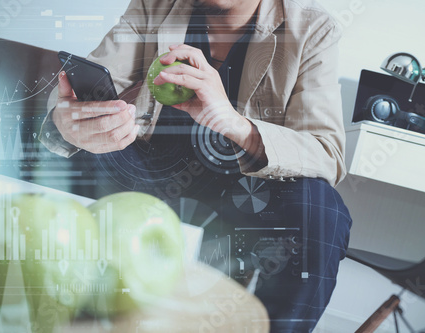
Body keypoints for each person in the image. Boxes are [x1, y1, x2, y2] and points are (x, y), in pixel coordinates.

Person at [39, 0, 352, 331]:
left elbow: (326, 152)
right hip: (148, 173)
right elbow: (83, 88)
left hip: (245, 196)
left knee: (321, 210)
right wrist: (68, 122)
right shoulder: (154, 5)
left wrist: (233, 122)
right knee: (78, 148)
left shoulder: (313, 28)